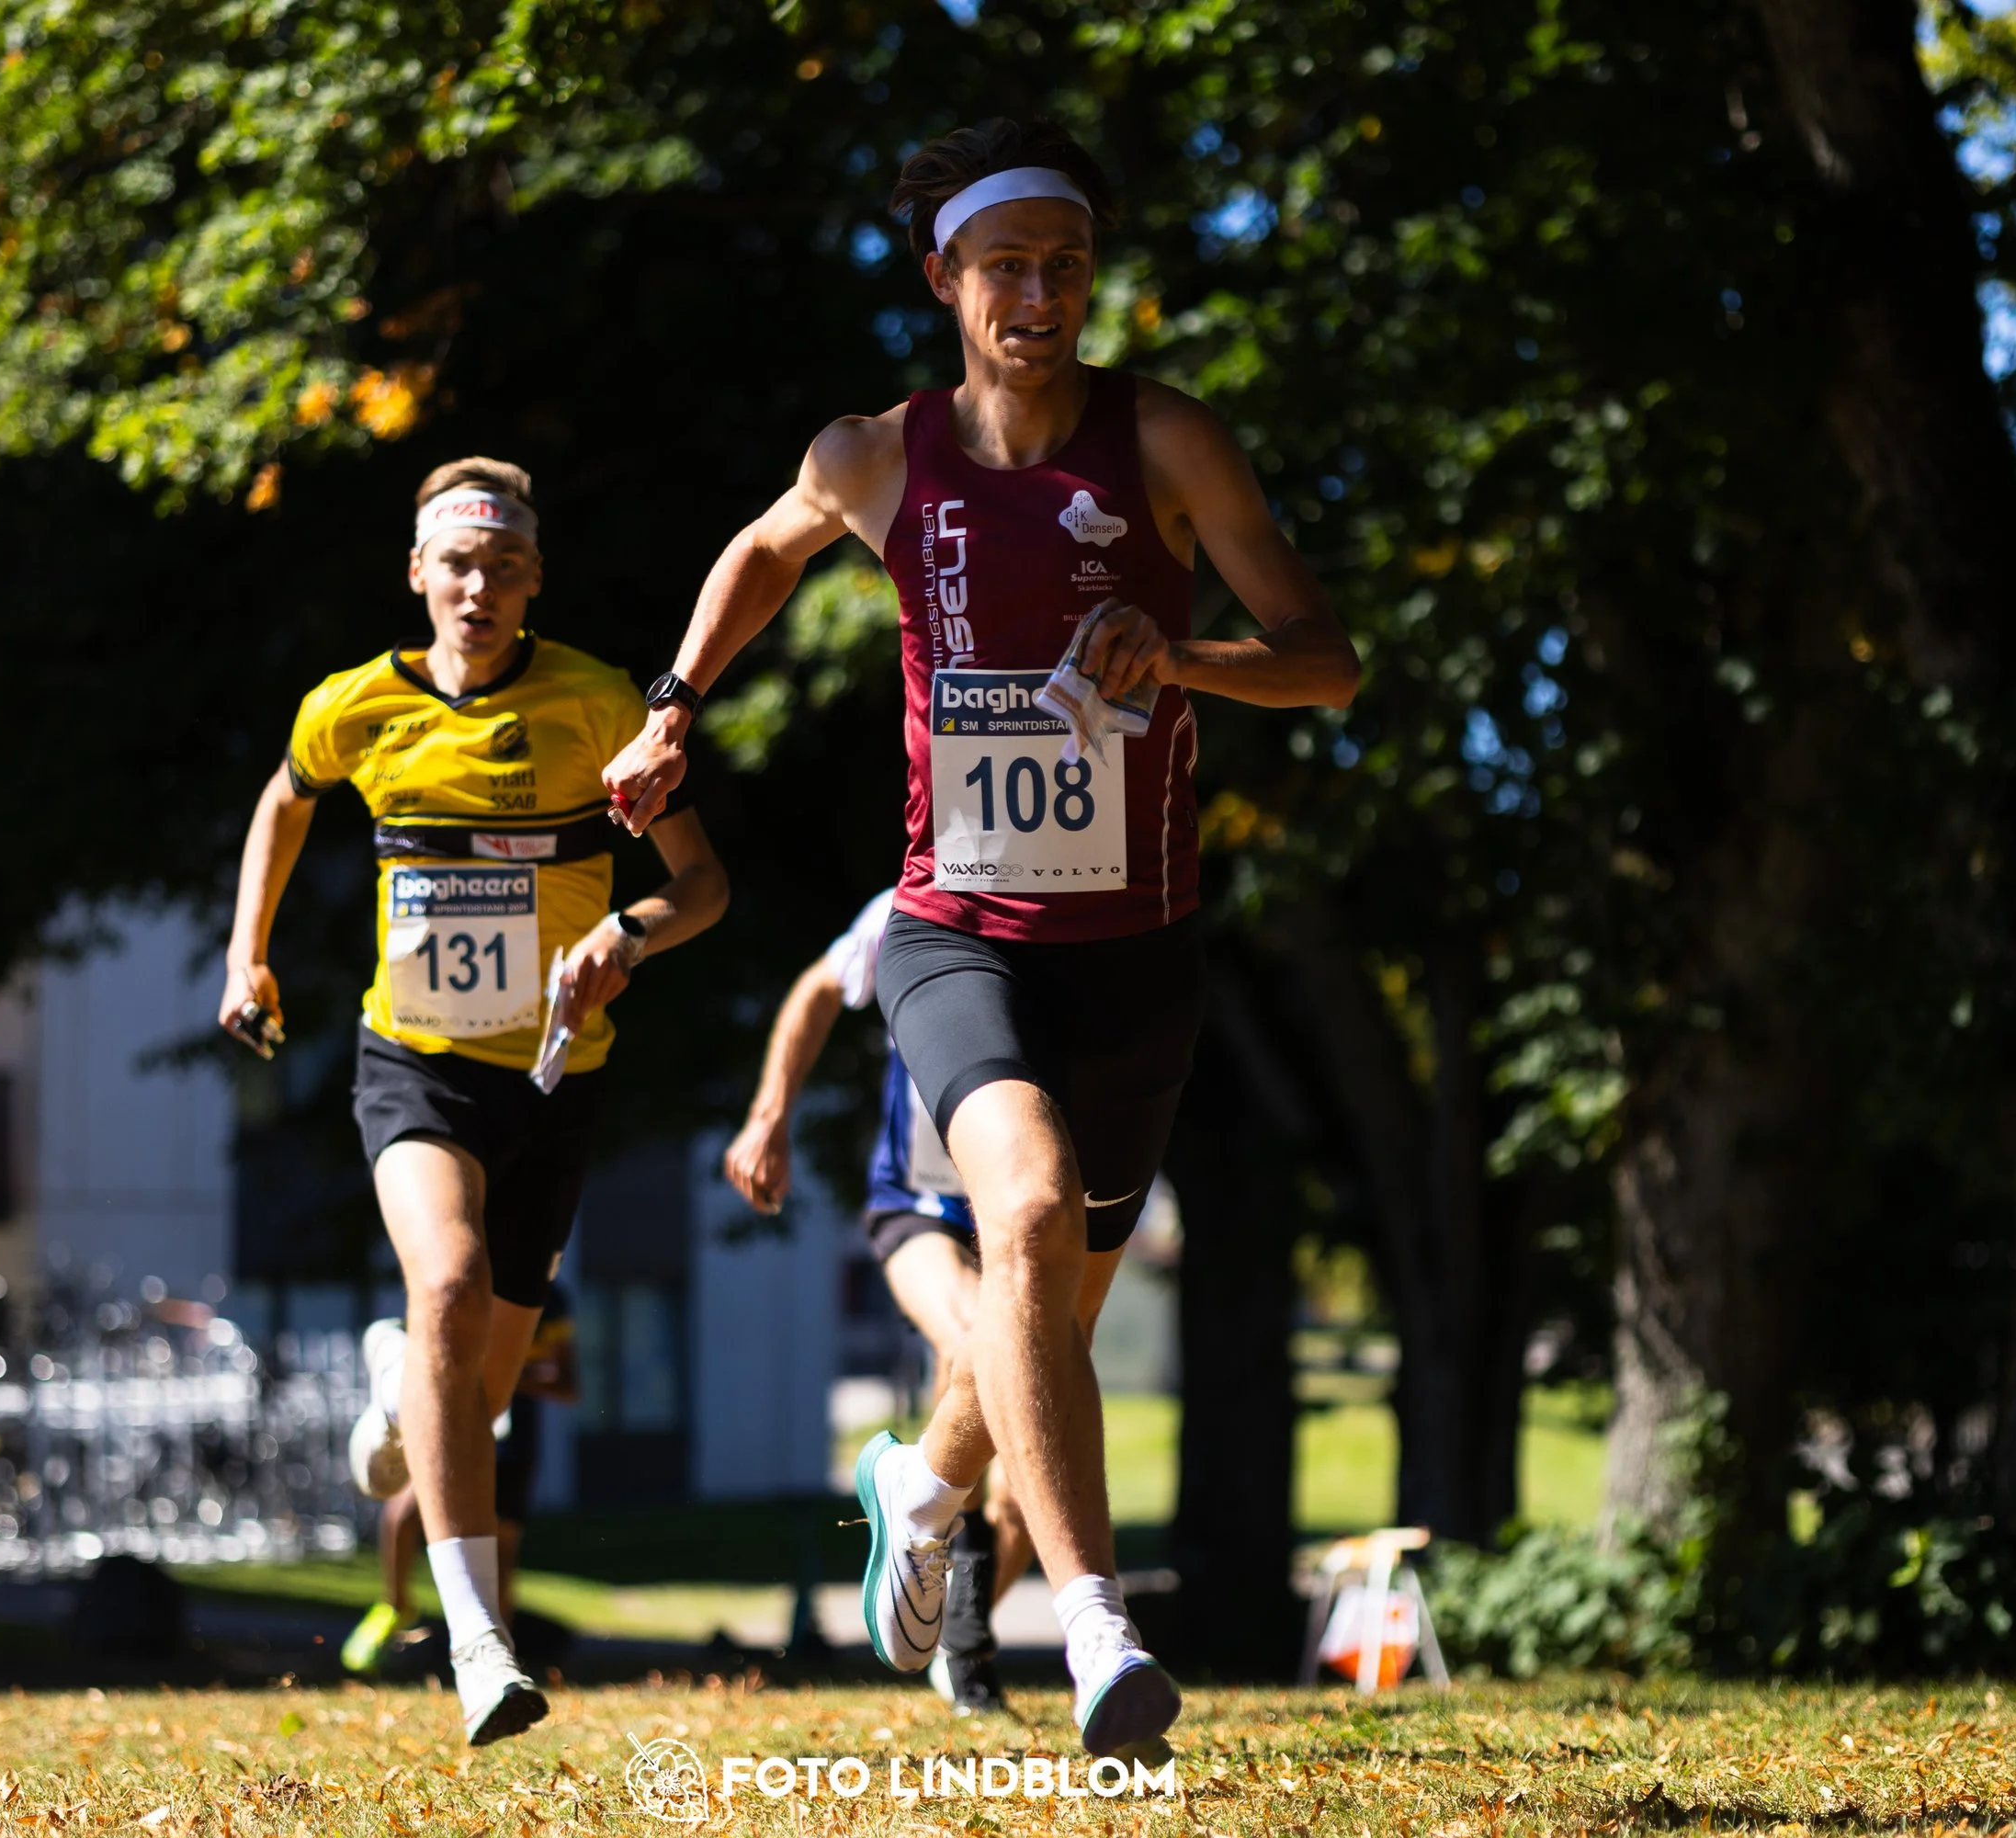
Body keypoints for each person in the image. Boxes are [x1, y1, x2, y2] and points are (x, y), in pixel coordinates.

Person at [605, 119, 1359, 1761]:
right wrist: (673, 706)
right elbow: (759, 550)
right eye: (1007, 265)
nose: (1041, 294)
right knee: (1013, 1214)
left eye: (1068, 265)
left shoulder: (1165, 440)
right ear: (945, 278)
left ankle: (923, 1486)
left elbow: (1326, 661)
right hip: (961, 936)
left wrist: (1188, 659)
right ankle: (1094, 1635)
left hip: (1141, 956)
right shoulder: (880, 453)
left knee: (1046, 1323)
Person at [221, 457, 728, 1745]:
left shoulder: (596, 702)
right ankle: (479, 1642)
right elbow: (286, 799)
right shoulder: (358, 708)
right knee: (443, 1282)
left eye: (504, 566)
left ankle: (402, 1398)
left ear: (533, 580)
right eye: (457, 564)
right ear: (418, 576)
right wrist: (249, 953)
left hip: (557, 1075)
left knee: (479, 1383)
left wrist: (628, 932)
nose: (479, 588)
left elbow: (702, 885)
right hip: (415, 1063)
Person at [723, 886, 1031, 1715]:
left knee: (1033, 1470)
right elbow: (819, 988)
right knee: (977, 1340)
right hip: (919, 1209)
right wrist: (770, 1116)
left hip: (1023, 1216)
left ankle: (952, 1626)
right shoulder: (909, 899)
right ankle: (950, 1615)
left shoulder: (1068, 909)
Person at [343, 1286, 579, 1677]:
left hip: (512, 1435)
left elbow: (568, 1383)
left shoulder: (549, 1297)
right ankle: (396, 1605)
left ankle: (497, 1661)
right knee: (402, 1512)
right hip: (455, 1416)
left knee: (501, 1548)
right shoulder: (458, 1271)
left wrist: (503, 1374)